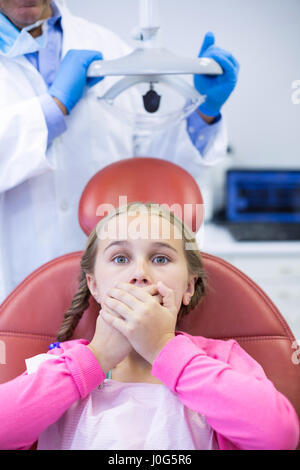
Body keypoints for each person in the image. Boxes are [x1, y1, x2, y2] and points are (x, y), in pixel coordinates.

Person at [0, 202, 298, 450]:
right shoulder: (62, 363)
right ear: (94, 286)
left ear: (188, 287)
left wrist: (163, 348)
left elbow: (279, 437)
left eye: (160, 258)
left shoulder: (221, 359)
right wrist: (96, 357)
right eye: (120, 258)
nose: (140, 274)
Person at [0, 0, 239, 303]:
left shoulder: (109, 49)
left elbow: (155, 171)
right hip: (13, 281)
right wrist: (54, 108)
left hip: (117, 288)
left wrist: (203, 111)